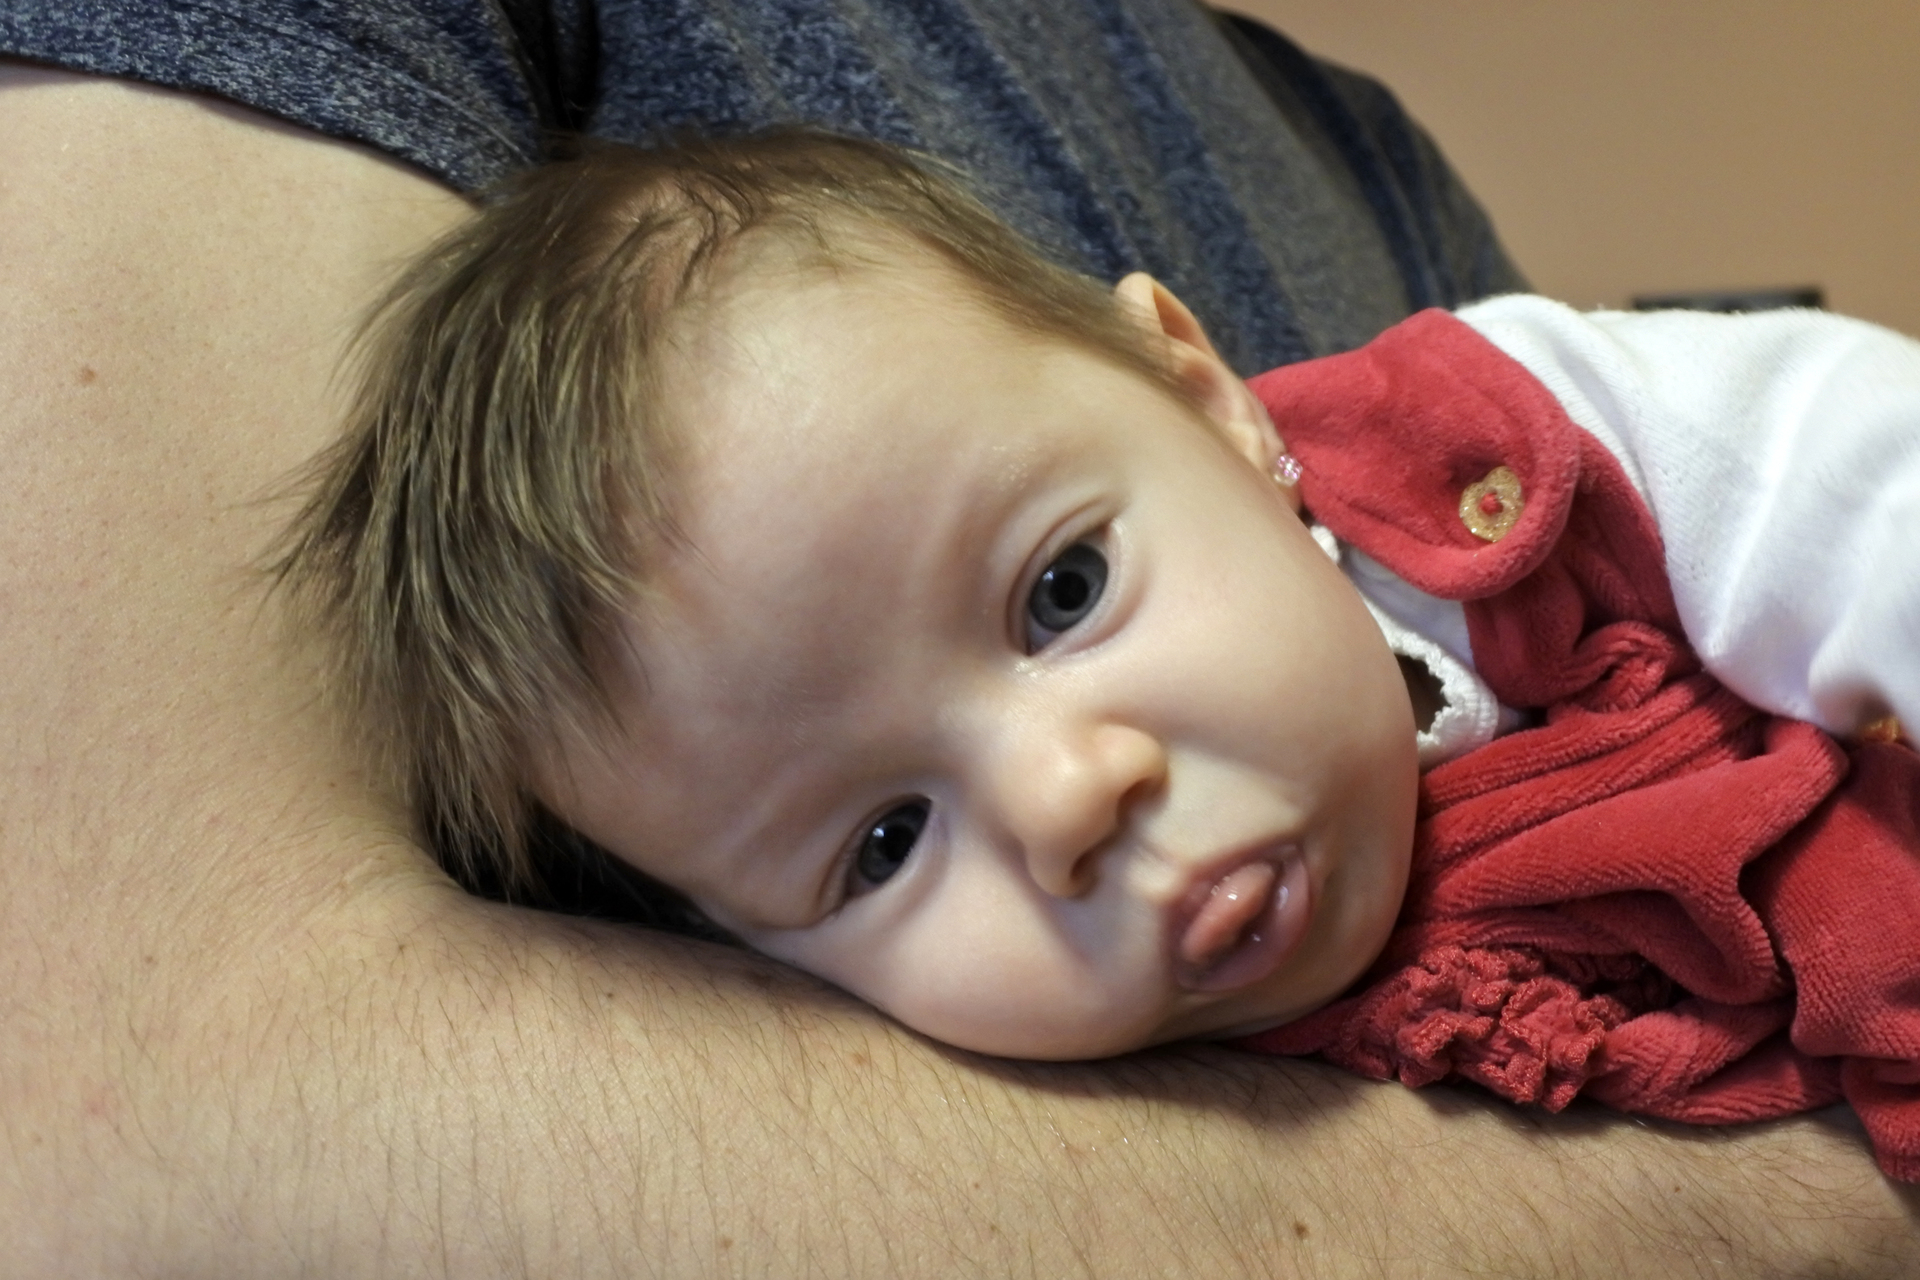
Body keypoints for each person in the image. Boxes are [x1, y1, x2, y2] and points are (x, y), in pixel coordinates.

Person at [3, 1, 1914, 1272]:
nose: (1069, 800)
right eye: (879, 844)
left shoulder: (1478, 477)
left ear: (1209, 406)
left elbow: (1834, 477)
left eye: (1062, 593)